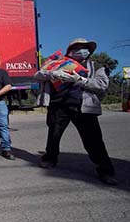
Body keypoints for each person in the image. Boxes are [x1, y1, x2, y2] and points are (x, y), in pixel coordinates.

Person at [34, 38, 117, 185]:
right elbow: (37, 75)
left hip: (83, 106)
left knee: (93, 140)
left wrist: (82, 79)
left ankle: (106, 171)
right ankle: (50, 158)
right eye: (77, 47)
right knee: (54, 135)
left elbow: (101, 84)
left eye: (85, 48)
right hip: (58, 105)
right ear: (70, 51)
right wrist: (53, 74)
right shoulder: (56, 62)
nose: (81, 50)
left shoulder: (95, 65)